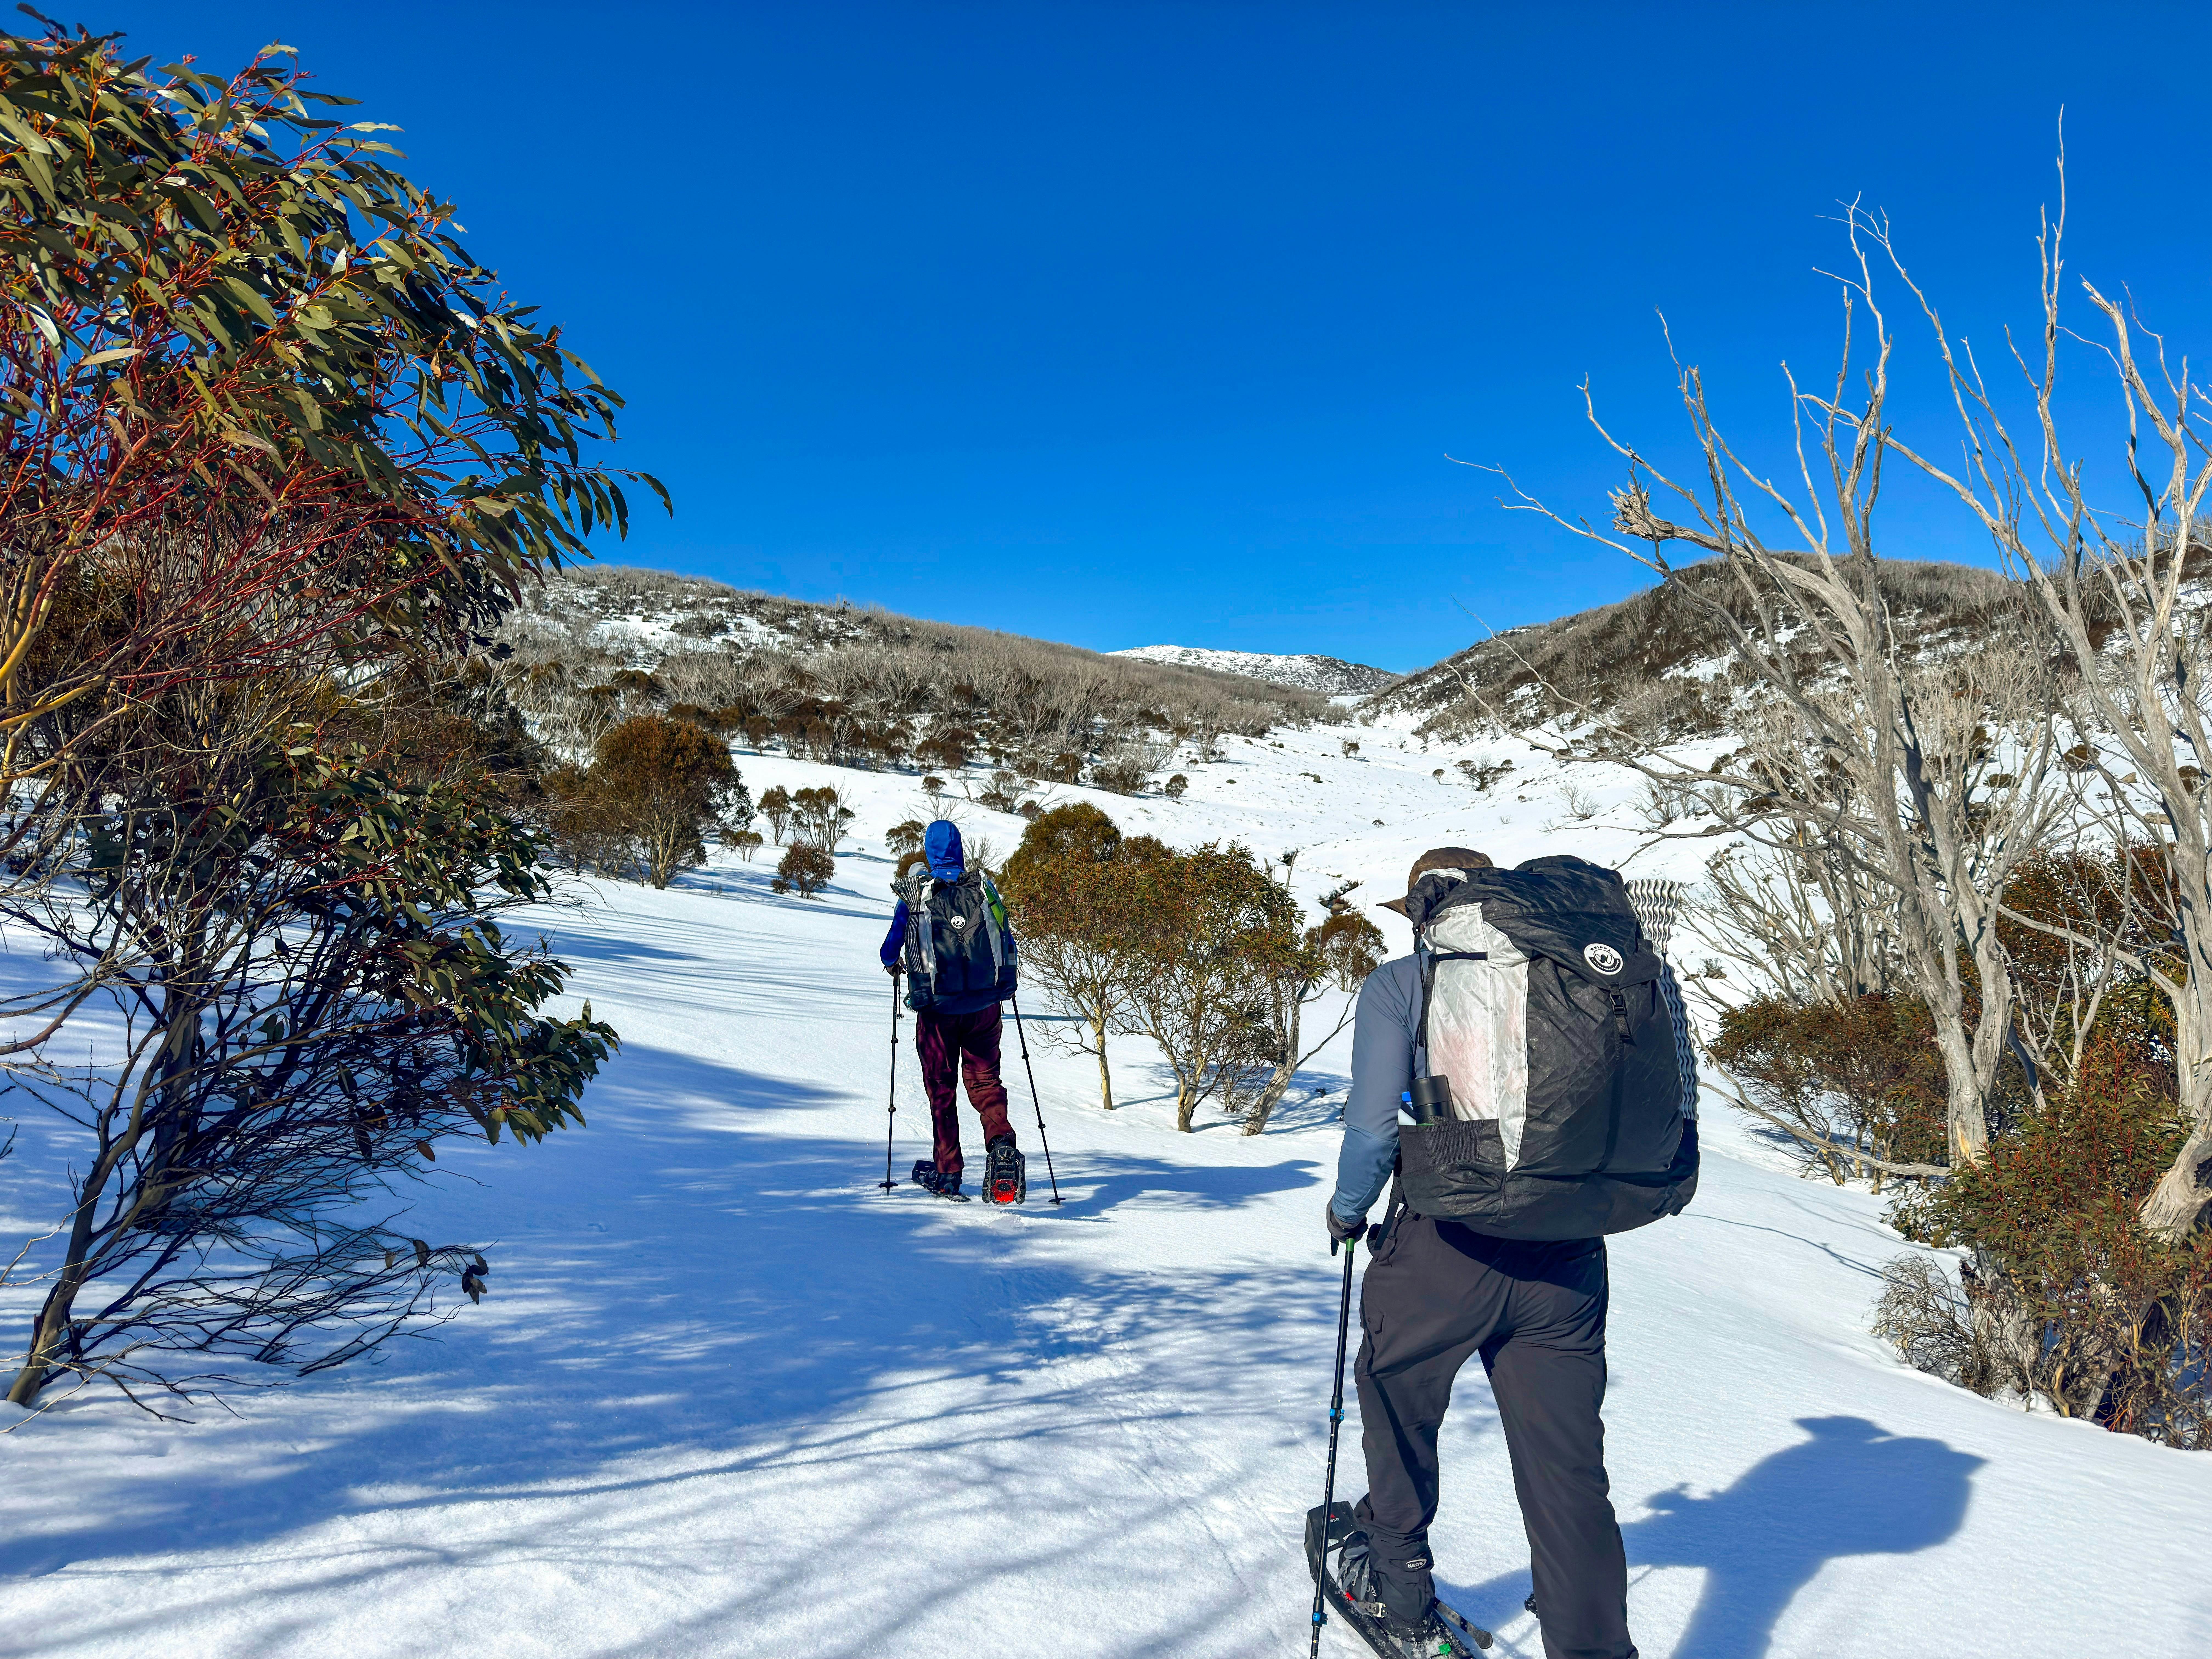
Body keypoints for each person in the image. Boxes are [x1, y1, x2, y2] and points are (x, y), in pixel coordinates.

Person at [1325, 846, 1695, 1659]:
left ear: (1426, 910)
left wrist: (1348, 1213)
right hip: (1568, 1256)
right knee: (1568, 1474)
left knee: (1398, 1408)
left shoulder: (1401, 983)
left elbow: (1374, 1129)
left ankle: (1398, 1591)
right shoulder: (1577, 976)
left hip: (1445, 1245)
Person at [880, 819, 1025, 1204]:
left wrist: (895, 964)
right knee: (985, 1081)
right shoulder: (984, 888)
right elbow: (1006, 942)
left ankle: (948, 1175)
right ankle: (1001, 1144)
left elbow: (889, 950)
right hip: (985, 1008)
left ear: (929, 851)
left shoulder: (917, 893)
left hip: (937, 1012)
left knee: (942, 1089)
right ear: (960, 849)